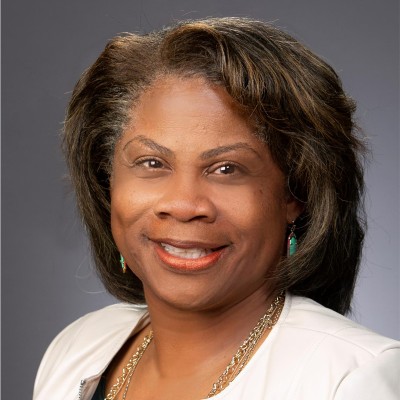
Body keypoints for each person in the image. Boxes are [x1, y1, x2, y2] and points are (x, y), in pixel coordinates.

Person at [33, 17, 400, 400]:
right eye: (152, 163)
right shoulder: (75, 350)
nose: (184, 205)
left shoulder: (351, 379)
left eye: (227, 169)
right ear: (108, 182)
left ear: (295, 195)